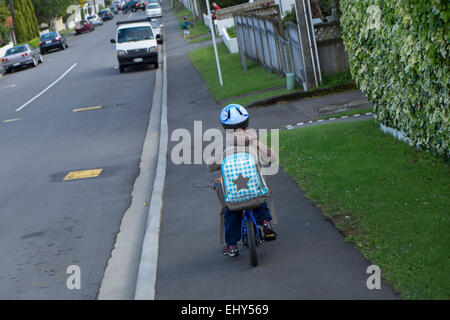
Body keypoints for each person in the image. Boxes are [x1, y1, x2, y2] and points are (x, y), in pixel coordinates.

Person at [208, 104, 278, 257]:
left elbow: (211, 166)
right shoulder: (254, 142)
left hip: (234, 195)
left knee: (230, 211)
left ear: (225, 127)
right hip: (255, 191)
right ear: (247, 124)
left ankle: (232, 246)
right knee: (260, 197)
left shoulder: (224, 147)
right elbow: (271, 156)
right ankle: (265, 222)